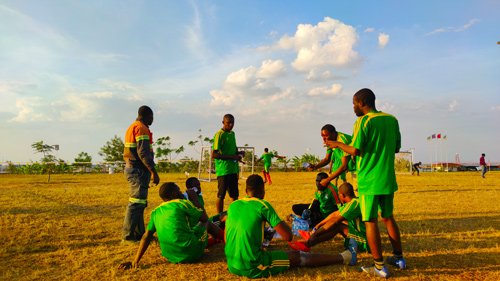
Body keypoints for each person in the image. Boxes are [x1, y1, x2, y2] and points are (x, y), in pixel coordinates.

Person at [325, 88, 406, 278]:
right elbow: (396, 148)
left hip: (369, 180)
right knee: (388, 217)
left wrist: (336, 144)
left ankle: (379, 266)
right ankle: (399, 258)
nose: (353, 108)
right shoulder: (392, 119)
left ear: (361, 103)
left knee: (370, 221)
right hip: (387, 178)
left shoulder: (363, 121)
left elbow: (354, 150)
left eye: (354, 104)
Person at [224, 174, 355, 278]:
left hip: (231, 264)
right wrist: (278, 223)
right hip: (253, 266)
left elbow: (226, 239)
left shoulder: (233, 205)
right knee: (298, 256)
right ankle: (343, 257)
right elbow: (288, 236)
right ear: (261, 191)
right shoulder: (262, 205)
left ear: (246, 190)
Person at [119, 182, 224, 269]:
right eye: (179, 190)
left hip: (171, 256)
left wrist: (135, 261)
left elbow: (146, 237)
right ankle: (228, 240)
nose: (181, 192)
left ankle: (215, 240)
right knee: (206, 223)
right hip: (190, 252)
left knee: (196, 231)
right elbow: (204, 218)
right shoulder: (181, 203)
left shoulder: (156, 211)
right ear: (174, 194)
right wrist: (194, 199)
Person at [289, 183, 369, 256]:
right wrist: (318, 225)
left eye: (339, 195)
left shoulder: (353, 205)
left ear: (343, 195)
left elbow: (335, 220)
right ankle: (309, 243)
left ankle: (308, 243)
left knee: (337, 226)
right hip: (361, 234)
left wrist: (316, 234)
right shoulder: (354, 201)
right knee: (338, 223)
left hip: (365, 241)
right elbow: (335, 214)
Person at [121, 105, 160, 243]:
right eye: (152, 117)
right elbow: (143, 153)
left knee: (140, 203)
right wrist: (154, 171)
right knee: (136, 203)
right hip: (138, 170)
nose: (152, 120)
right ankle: (128, 237)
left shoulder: (132, 126)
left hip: (133, 168)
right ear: (148, 115)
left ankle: (140, 234)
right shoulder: (142, 128)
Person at [212, 114, 243, 214]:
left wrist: (238, 153)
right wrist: (232, 157)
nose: (231, 125)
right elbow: (214, 154)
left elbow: (233, 150)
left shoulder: (232, 133)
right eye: (228, 123)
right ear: (223, 122)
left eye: (232, 123)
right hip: (223, 170)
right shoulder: (219, 134)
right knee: (221, 195)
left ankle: (233, 216)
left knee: (234, 195)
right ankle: (219, 218)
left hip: (233, 169)